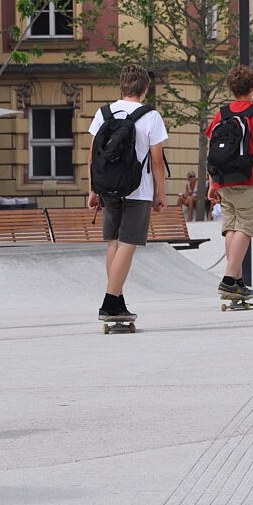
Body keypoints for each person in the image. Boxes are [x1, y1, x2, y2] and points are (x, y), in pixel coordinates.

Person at [88, 63, 169, 321]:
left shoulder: (104, 113)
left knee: (114, 242)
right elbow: (157, 160)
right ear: (145, 88)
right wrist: (161, 193)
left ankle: (117, 298)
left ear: (122, 86)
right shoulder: (151, 116)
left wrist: (92, 189)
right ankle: (110, 301)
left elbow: (93, 156)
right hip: (138, 189)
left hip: (107, 187)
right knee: (129, 243)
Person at [206, 65, 253, 303]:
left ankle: (236, 281)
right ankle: (228, 279)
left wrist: (212, 182)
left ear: (231, 89)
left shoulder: (222, 114)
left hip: (224, 180)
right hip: (250, 178)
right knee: (245, 227)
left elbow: (212, 150)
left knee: (231, 227)